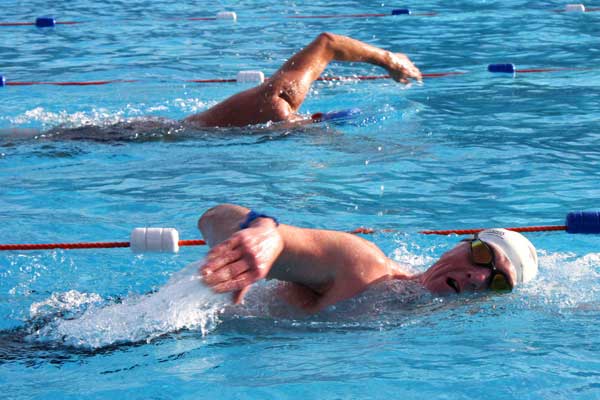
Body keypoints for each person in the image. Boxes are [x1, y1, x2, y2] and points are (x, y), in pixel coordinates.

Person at [198, 204, 539, 313]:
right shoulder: (364, 267)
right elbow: (213, 217)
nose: (477, 278)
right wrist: (262, 230)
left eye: (496, 283)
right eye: (481, 255)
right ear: (459, 244)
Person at [184, 32, 422, 128]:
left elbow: (328, 41)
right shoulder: (279, 106)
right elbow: (328, 41)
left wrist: (389, 60)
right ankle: (390, 59)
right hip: (274, 116)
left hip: (270, 113)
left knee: (172, 129)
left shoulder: (276, 103)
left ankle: (390, 59)